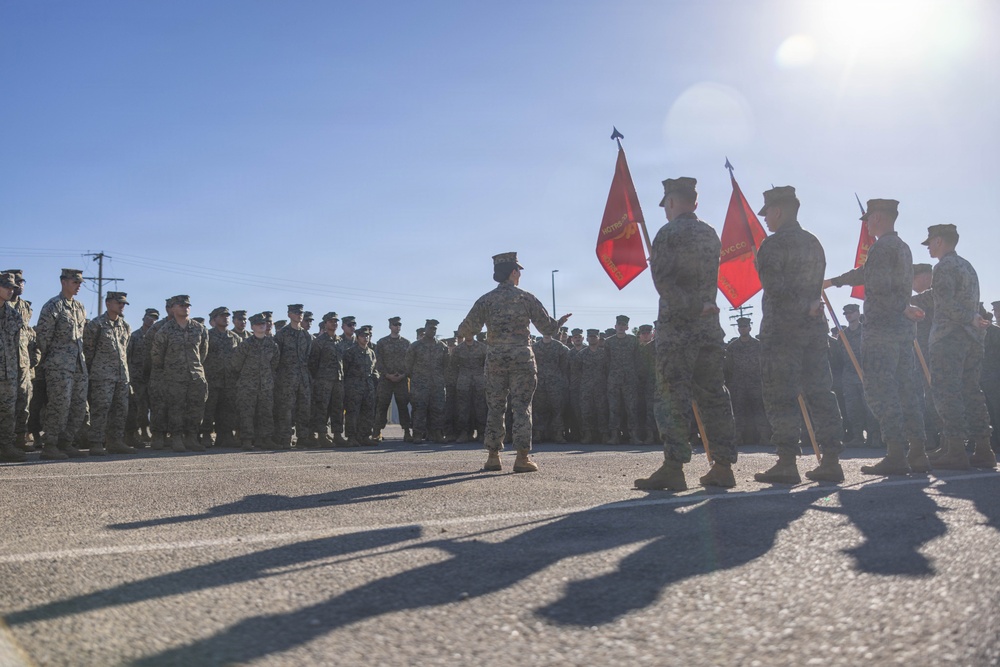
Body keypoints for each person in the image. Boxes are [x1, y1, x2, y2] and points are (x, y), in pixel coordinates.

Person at [635, 178, 737, 490]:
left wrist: (692, 305)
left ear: (671, 202)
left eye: (665, 205)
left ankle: (674, 467)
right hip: (709, 330)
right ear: (695, 202)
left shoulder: (668, 233)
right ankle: (723, 466)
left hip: (679, 329)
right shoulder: (710, 233)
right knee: (713, 395)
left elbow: (664, 283)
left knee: (671, 396)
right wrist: (703, 306)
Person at [825, 198, 928, 475]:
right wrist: (835, 281)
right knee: (907, 390)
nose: (867, 224)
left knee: (882, 390)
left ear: (878, 217)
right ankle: (917, 452)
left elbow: (878, 285)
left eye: (868, 219)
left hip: (882, 331)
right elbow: (869, 275)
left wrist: (901, 307)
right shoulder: (902, 246)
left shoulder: (882, 247)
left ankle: (895, 454)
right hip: (902, 332)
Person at [752, 186, 844, 484]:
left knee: (781, 396)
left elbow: (775, 290)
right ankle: (831, 461)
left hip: (783, 333)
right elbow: (812, 286)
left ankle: (787, 462)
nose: (765, 219)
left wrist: (801, 306)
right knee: (821, 393)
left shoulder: (772, 245)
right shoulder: (813, 242)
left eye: (767, 213)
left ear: (778, 211)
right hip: (814, 332)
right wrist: (808, 306)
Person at [457, 252, 569, 472]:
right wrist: (559, 323)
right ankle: (521, 458)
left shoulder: (486, 300)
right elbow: (547, 328)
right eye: (519, 271)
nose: (520, 275)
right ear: (513, 272)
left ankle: (493, 457)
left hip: (495, 360)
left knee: (495, 407)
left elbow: (465, 329)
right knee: (522, 407)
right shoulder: (526, 298)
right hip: (521, 360)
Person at [908, 224, 994, 469]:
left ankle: (955, 449)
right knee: (971, 391)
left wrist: (967, 317)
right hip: (972, 339)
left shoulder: (943, 266)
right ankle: (983, 449)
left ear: (939, 241)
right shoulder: (967, 266)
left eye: (930, 242)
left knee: (947, 392)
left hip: (949, 338)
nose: (928, 247)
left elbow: (945, 303)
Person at [35, 268, 90, 460]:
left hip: (79, 365)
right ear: (63, 282)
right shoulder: (53, 306)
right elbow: (43, 337)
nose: (78, 286)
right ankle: (50, 445)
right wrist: (53, 359)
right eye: (75, 282)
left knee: (78, 405)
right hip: (59, 366)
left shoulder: (80, 307)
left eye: (80, 283)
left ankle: (66, 443)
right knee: (59, 405)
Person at [150, 295, 209, 453]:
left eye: (188, 305)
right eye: (181, 305)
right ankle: (176, 437)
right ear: (173, 308)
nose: (185, 308)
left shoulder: (199, 328)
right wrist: (172, 367)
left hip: (195, 376)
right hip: (174, 376)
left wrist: (194, 366)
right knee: (176, 408)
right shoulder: (165, 330)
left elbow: (203, 353)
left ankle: (192, 437)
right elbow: (157, 355)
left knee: (196, 407)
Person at [82, 291, 134, 455]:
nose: (122, 306)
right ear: (108, 303)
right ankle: (96, 442)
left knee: (121, 409)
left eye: (124, 303)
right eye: (119, 303)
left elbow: (125, 350)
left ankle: (115, 441)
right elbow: (88, 350)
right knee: (101, 408)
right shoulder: (96, 325)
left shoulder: (125, 326)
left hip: (121, 375)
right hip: (102, 375)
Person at [231, 313, 280, 450]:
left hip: (266, 384)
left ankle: (266, 439)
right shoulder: (246, 344)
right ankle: (247, 440)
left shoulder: (272, 345)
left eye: (263, 323)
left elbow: (274, 364)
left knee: (266, 412)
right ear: (252, 327)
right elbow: (236, 364)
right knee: (247, 413)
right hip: (248, 385)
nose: (261, 326)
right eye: (258, 324)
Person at [723, 317, 771, 446]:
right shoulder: (732, 347)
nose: (742, 329)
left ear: (749, 328)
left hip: (756, 384)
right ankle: (738, 437)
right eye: (740, 327)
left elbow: (765, 364)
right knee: (738, 412)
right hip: (738, 385)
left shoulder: (758, 345)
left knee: (760, 410)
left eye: (745, 327)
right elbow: (728, 367)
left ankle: (764, 437)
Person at [273, 304, 312, 449]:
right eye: (296, 312)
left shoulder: (307, 336)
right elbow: (276, 357)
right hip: (287, 378)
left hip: (303, 378)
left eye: (301, 313)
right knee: (286, 408)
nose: (299, 315)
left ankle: (303, 437)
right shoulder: (282, 334)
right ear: (289, 314)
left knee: (304, 408)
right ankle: (285, 438)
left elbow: (310, 358)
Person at [203, 306, 241, 447]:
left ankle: (225, 435)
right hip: (212, 379)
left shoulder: (235, 338)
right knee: (209, 409)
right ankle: (206, 435)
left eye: (227, 316)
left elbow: (239, 358)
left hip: (229, 380)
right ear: (214, 319)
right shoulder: (207, 335)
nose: (226, 318)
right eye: (222, 316)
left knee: (228, 410)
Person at [0, 272, 28, 462]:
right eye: (6, 287)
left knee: (8, 411)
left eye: (12, 287)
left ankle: (5, 446)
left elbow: (18, 346)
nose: (11, 290)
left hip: (8, 372)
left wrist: (19, 370)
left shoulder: (14, 316)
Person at [405, 319, 448, 443]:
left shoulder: (442, 347)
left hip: (437, 384)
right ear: (425, 329)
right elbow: (408, 365)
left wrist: (442, 379)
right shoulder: (415, 346)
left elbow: (446, 366)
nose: (433, 331)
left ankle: (437, 434)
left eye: (435, 329)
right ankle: (418, 434)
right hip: (420, 384)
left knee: (438, 409)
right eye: (430, 328)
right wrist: (417, 378)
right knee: (419, 409)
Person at [308, 312, 346, 446]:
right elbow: (313, 362)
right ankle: (322, 435)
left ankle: (337, 435)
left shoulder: (340, 341)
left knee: (338, 408)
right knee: (322, 408)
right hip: (323, 380)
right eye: (331, 321)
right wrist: (318, 378)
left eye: (336, 321)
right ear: (325, 324)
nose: (334, 324)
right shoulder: (319, 341)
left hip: (338, 380)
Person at [374, 316, 412, 442]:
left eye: (399, 324)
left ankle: (407, 432)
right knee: (382, 405)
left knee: (403, 406)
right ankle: (377, 432)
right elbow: (378, 361)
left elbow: (410, 362)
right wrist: (386, 374)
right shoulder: (382, 342)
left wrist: (403, 375)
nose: (397, 327)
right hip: (386, 380)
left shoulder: (406, 343)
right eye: (395, 324)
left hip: (401, 379)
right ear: (390, 326)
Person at [125, 307, 158, 446]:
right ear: (144, 318)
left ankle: (152, 431)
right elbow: (127, 355)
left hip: (151, 375)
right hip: (137, 376)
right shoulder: (135, 336)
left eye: (154, 318)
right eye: (149, 317)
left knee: (154, 405)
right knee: (139, 405)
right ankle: (140, 431)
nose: (151, 320)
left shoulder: (157, 336)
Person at [604, 315, 640, 444]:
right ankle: (614, 435)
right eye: (619, 325)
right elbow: (606, 361)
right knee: (614, 408)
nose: (621, 327)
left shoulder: (633, 340)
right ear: (615, 326)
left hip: (630, 380)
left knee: (632, 408)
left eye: (623, 325)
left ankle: (634, 435)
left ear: (627, 327)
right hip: (614, 380)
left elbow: (637, 359)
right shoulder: (608, 342)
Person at [342, 325, 378, 446]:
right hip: (354, 387)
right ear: (357, 338)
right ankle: (351, 437)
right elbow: (345, 370)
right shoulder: (350, 352)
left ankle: (364, 436)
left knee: (367, 412)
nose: (365, 338)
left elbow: (374, 369)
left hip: (368, 387)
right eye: (363, 336)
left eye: (367, 336)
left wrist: (375, 379)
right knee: (353, 413)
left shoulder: (371, 353)